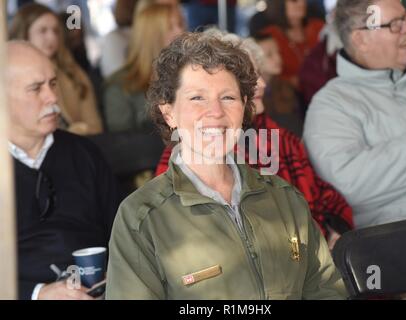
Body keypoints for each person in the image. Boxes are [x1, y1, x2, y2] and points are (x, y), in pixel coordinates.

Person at [105, 32, 347, 299]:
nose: (216, 112)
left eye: (228, 98)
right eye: (197, 98)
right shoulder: (141, 218)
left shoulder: (285, 198)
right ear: (169, 112)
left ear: (244, 107)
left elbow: (325, 289)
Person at [155, 30, 353, 248]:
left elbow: (323, 198)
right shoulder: (190, 153)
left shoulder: (282, 138)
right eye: (250, 77)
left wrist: (333, 231)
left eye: (259, 74)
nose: (262, 84)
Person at [304, 0, 406, 229]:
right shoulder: (332, 104)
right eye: (395, 24)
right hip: (405, 248)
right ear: (360, 39)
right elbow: (346, 186)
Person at [6, 41, 120, 300]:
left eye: (53, 83)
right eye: (36, 88)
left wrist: (118, 275)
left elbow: (123, 232)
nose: (53, 97)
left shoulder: (83, 153)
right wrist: (37, 294)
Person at [9, 3, 103, 136]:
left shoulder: (75, 74)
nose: (52, 37)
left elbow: (95, 126)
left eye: (56, 31)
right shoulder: (8, 77)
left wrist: (77, 131)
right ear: (24, 34)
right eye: (43, 31)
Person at [103, 3, 184, 132]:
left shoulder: (192, 75)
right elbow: (121, 143)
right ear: (151, 35)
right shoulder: (119, 86)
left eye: (180, 24)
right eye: (170, 27)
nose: (180, 32)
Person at [249, 0, 324, 92]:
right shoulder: (269, 37)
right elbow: (265, 72)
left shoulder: (320, 27)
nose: (301, 3)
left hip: (325, 90)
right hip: (287, 96)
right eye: (294, 0)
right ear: (279, 3)